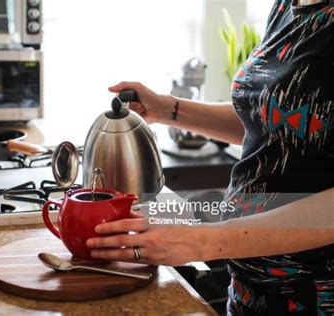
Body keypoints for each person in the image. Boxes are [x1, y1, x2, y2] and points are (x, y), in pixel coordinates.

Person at [86, 0, 334, 314]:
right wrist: (169, 109)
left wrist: (202, 240)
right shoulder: (288, 6)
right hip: (250, 289)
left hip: (317, 296)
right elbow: (274, 124)